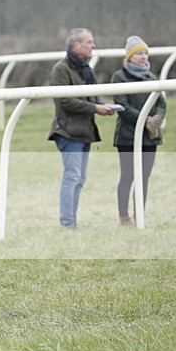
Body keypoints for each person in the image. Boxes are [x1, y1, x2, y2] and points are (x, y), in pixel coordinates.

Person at [47, 28, 116, 229]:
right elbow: (65, 101)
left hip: (84, 131)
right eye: (89, 42)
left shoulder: (85, 69)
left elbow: (90, 96)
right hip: (68, 132)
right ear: (76, 45)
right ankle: (67, 222)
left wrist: (102, 105)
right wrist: (95, 108)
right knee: (73, 176)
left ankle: (71, 220)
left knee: (80, 178)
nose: (93, 45)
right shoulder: (61, 69)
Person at [110, 36, 166, 226]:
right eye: (139, 54)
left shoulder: (152, 77)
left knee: (144, 178)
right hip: (127, 136)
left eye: (145, 53)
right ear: (130, 56)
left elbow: (161, 104)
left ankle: (139, 215)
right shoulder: (119, 77)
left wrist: (156, 120)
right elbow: (122, 105)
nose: (143, 57)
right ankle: (123, 216)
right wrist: (145, 119)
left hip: (150, 136)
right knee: (128, 176)